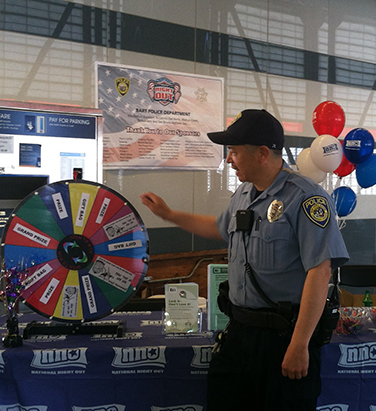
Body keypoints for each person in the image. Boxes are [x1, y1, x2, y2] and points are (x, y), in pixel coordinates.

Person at [140, 109, 349, 411]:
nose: (229, 159)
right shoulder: (244, 194)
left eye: (234, 152)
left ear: (262, 153)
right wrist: (170, 215)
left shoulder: (306, 198)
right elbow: (217, 227)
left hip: (283, 337)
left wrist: (299, 344)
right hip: (239, 334)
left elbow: (320, 270)